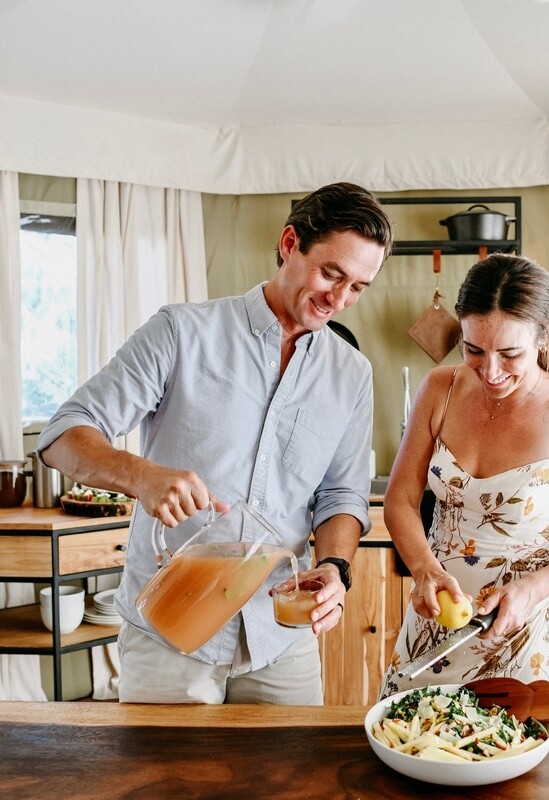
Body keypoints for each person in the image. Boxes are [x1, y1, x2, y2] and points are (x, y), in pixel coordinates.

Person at [38, 181, 394, 704]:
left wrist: (334, 567)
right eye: (331, 273)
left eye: (358, 287)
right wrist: (142, 476)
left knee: (291, 785)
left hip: (280, 636)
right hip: (170, 633)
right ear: (290, 243)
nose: (338, 300)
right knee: (166, 787)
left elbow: (341, 496)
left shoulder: (352, 374)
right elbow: (63, 434)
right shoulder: (182, 333)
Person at [380, 253, 549, 699]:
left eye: (510, 354)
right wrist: (425, 571)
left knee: (508, 757)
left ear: (542, 338)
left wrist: (532, 589)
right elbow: (401, 501)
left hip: (520, 630)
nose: (490, 371)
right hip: (432, 621)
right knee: (404, 744)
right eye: (473, 349)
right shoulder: (439, 389)